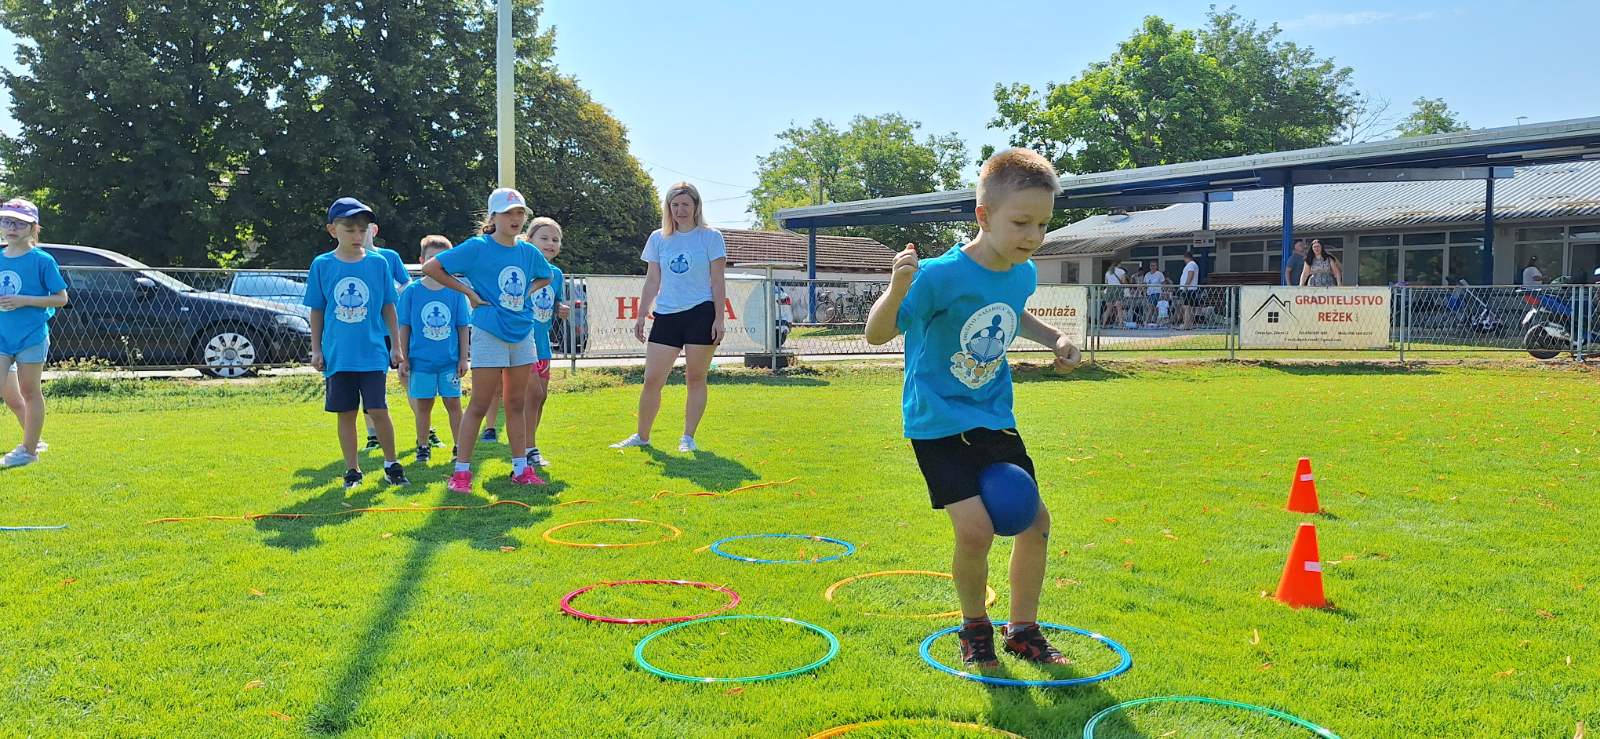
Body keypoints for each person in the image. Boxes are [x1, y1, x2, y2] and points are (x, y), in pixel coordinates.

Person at [864, 148, 1082, 670]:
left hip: (994, 417)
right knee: (976, 530)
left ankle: (1024, 629)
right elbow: (875, 334)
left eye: (1044, 224)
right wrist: (897, 287)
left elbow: (1013, 314)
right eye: (1022, 222)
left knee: (1034, 521)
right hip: (937, 421)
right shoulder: (939, 276)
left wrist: (1054, 339)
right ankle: (974, 626)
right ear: (983, 216)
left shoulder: (1020, 272)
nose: (1034, 235)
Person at [421, 188, 552, 492]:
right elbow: (432, 268)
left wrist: (527, 294)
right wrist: (468, 292)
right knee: (480, 403)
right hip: (489, 333)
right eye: (508, 213)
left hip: (522, 333)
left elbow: (545, 276)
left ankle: (521, 469)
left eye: (520, 213)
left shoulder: (529, 251)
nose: (516, 219)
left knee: (516, 403)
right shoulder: (478, 247)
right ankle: (462, 474)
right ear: (493, 217)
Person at [610, 183, 727, 453]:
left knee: (695, 377)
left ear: (696, 206)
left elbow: (718, 280)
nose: (680, 210)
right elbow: (653, 279)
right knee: (652, 379)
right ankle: (642, 435)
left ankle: (688, 437)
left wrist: (718, 319)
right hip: (666, 315)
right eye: (675, 205)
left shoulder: (711, 237)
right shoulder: (658, 238)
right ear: (668, 208)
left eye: (686, 204)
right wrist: (641, 314)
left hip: (701, 312)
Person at [304, 197, 407, 489]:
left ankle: (391, 464)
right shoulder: (322, 265)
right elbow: (317, 309)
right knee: (346, 413)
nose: (357, 235)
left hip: (372, 351)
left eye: (362, 229)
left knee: (378, 409)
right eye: (349, 229)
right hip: (338, 354)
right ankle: (353, 470)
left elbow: (389, 306)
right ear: (332, 230)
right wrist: (316, 349)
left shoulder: (378, 263)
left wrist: (396, 346)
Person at [0, 198, 68, 468]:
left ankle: (28, 450)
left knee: (30, 391)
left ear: (32, 227)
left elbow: (61, 298)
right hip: (2, 336)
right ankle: (32, 439)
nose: (11, 227)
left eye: (19, 222)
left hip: (31, 336)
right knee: (9, 394)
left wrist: (25, 300)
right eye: (6, 221)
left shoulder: (43, 260)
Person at [397, 235, 471, 465]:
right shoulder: (411, 292)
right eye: (432, 258)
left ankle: (460, 447)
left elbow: (462, 327)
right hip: (421, 362)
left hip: (449, 362)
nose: (437, 263)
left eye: (443, 259)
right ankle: (422, 446)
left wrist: (463, 358)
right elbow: (405, 327)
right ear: (422, 261)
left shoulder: (456, 292)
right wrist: (403, 357)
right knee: (424, 405)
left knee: (453, 404)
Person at [362, 225, 418, 450]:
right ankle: (373, 436)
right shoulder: (348, 260)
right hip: (368, 334)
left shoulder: (389, 256)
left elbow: (407, 285)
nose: (359, 232)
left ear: (373, 230)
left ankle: (425, 430)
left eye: (363, 227)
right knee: (367, 385)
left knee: (408, 378)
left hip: (393, 332)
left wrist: (394, 298)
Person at [521, 216, 569, 467]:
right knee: (533, 394)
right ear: (529, 240)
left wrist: (560, 308)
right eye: (544, 238)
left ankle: (530, 444)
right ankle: (528, 448)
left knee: (541, 397)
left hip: (543, 345)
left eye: (555, 239)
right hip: (522, 343)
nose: (551, 243)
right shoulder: (523, 269)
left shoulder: (556, 274)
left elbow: (554, 301)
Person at [1178, 249, 1201, 330]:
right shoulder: (1194, 264)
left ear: (1186, 257)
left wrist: (1185, 286)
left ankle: (1186, 324)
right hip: (1191, 289)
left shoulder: (1191, 264)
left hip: (1188, 289)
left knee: (1186, 307)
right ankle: (1189, 324)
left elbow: (1190, 275)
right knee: (1189, 307)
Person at [1141, 259, 1167, 326]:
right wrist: (1144, 292)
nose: (1152, 267)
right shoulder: (1147, 275)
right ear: (1149, 266)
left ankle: (1148, 321)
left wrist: (1163, 293)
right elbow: (1144, 284)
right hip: (1149, 293)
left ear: (1156, 266)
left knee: (1154, 307)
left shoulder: (1159, 274)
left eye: (1154, 265)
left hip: (1157, 293)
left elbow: (1163, 284)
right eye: (1151, 265)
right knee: (1152, 308)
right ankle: (1156, 321)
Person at [1101, 262, 1127, 326]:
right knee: (1119, 308)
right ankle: (1120, 324)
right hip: (1118, 289)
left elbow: (1106, 283)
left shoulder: (1108, 272)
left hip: (1109, 289)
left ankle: (1103, 324)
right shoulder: (1121, 271)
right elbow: (1123, 281)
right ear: (1118, 264)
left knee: (1108, 308)